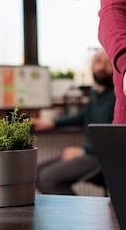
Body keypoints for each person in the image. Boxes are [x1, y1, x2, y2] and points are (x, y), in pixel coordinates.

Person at [35, 49, 115, 195]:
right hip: (91, 153)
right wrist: (53, 123)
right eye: (98, 61)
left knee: (47, 179)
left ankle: (77, 216)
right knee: (35, 174)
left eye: (108, 62)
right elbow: (82, 116)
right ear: (91, 66)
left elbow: (113, 138)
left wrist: (82, 151)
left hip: (102, 157)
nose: (102, 66)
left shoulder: (116, 97)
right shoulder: (96, 95)